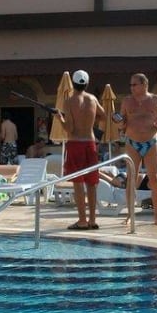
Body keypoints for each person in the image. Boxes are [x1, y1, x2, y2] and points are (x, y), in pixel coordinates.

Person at [117, 73, 157, 226]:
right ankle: (129, 214)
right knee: (131, 179)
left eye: (135, 84)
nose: (131, 87)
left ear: (144, 85)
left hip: (151, 143)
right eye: (131, 85)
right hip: (132, 142)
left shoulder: (155, 100)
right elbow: (122, 121)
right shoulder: (127, 101)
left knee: (154, 179)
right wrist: (119, 124)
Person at [56, 69, 104, 230]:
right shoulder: (92, 99)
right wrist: (91, 120)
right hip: (90, 143)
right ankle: (92, 220)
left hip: (75, 143)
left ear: (73, 84)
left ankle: (82, 220)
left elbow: (69, 128)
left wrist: (60, 118)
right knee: (91, 183)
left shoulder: (69, 101)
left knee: (78, 183)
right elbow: (103, 115)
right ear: (87, 84)